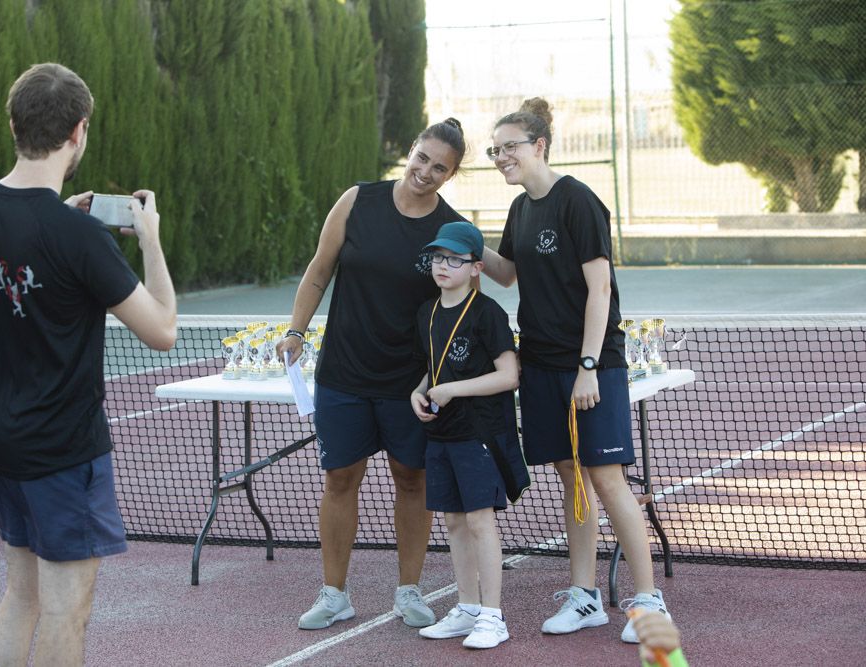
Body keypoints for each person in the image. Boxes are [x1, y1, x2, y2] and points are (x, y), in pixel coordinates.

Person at [0, 63, 176, 667]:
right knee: (67, 610)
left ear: (14, 124)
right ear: (78, 132)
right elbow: (164, 332)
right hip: (64, 450)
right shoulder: (79, 236)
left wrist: (64, 222)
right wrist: (150, 240)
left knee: (22, 596)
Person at [480, 97, 671, 643]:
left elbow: (600, 289)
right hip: (538, 364)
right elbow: (507, 273)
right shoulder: (520, 209)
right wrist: (458, 233)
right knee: (571, 477)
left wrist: (588, 366)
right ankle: (584, 596)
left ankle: (650, 606)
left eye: (509, 147)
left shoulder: (578, 202)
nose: (500, 157)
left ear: (538, 145)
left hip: (591, 365)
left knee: (607, 480)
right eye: (495, 151)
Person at [275, 118, 469, 631]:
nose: (425, 171)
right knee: (341, 478)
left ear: (451, 175)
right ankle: (334, 593)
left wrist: (438, 378)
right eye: (422, 158)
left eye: (439, 168)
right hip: (343, 373)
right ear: (410, 150)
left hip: (409, 382)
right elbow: (319, 271)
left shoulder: (448, 229)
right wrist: (296, 331)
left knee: (412, 479)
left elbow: (459, 304)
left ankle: (409, 592)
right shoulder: (357, 200)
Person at [408, 222, 527, 650]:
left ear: (476, 267)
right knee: (454, 522)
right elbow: (437, 366)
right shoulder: (427, 312)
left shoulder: (487, 313)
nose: (443, 266)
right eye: (438, 258)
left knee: (479, 520)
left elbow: (509, 375)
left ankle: (493, 617)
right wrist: (419, 391)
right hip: (441, 433)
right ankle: (468, 608)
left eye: (455, 259)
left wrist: (453, 390)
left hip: (480, 433)